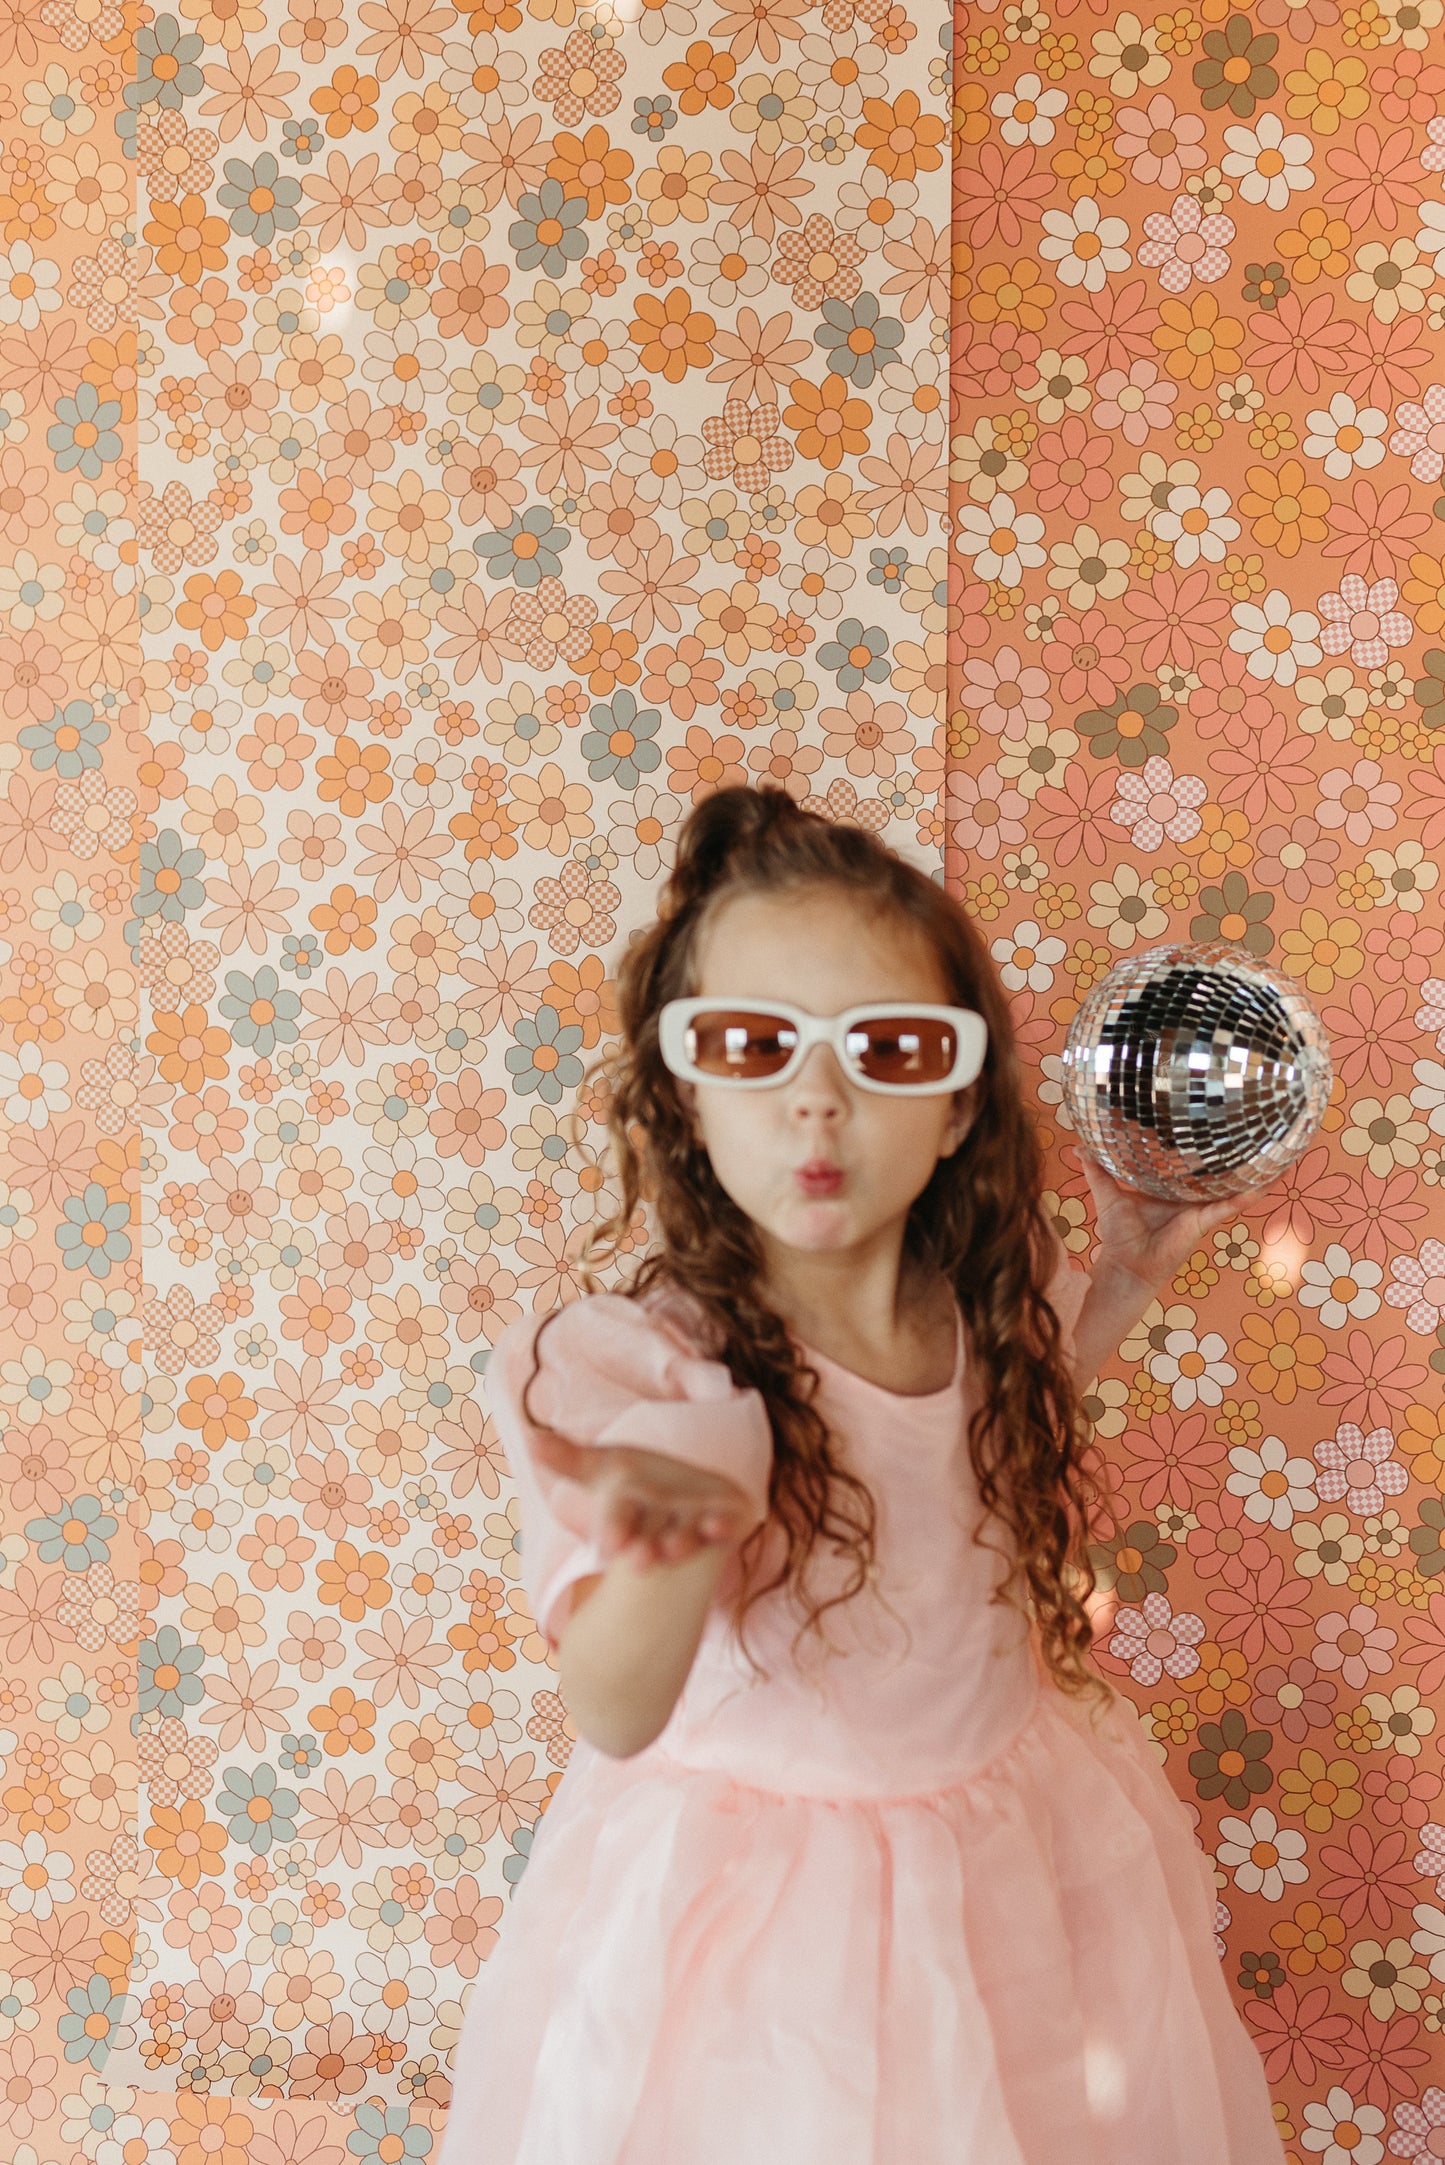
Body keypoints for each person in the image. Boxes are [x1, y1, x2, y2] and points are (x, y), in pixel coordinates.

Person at [436, 785, 1287, 2165]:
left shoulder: (977, 1302)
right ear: (685, 1097)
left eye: (887, 1048)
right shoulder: (666, 1376)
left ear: (955, 1109)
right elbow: (614, 1703)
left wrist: (1124, 1276)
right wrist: (669, 1549)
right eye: (753, 1045)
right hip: (774, 1926)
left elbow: (990, 1439)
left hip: (1008, 1846)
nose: (817, 1097)